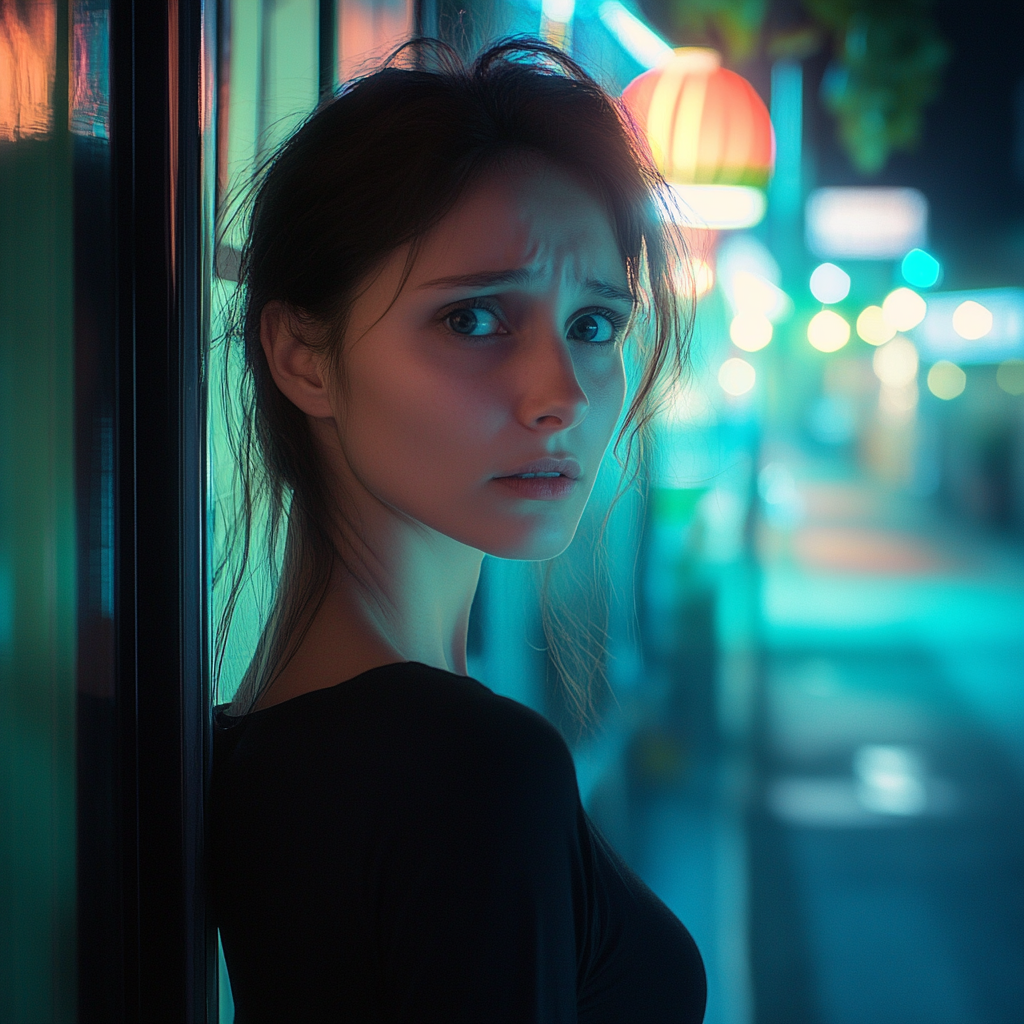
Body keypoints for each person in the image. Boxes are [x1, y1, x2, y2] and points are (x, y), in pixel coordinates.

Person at [209, 38, 706, 1023]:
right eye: (475, 321)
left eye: (594, 325)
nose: (559, 396)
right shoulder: (468, 771)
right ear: (303, 356)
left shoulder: (269, 743)